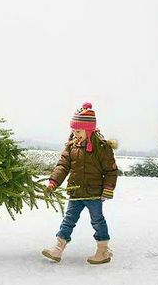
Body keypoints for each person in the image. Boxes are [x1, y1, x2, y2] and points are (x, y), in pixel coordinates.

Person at [42, 102, 118, 265]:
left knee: (97, 221)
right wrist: (53, 182)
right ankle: (58, 248)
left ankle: (103, 250)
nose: (75, 134)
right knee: (68, 219)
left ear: (88, 129)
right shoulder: (71, 147)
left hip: (94, 193)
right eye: (74, 130)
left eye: (78, 130)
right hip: (76, 192)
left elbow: (111, 171)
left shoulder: (102, 147)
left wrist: (108, 189)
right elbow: (62, 166)